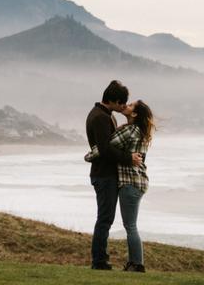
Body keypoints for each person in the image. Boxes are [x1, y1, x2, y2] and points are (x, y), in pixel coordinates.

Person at [86, 80, 141, 270]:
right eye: (122, 103)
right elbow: (105, 149)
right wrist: (129, 158)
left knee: (105, 218)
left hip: (107, 174)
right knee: (105, 218)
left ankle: (100, 258)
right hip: (104, 175)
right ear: (114, 101)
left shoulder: (106, 115)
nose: (124, 107)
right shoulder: (100, 117)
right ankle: (99, 260)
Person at [109, 100, 155, 273]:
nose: (126, 105)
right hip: (139, 183)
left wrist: (89, 155)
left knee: (130, 226)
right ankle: (134, 263)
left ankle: (136, 264)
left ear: (134, 114)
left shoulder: (130, 130)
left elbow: (107, 147)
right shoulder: (140, 131)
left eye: (130, 105)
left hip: (130, 183)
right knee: (131, 225)